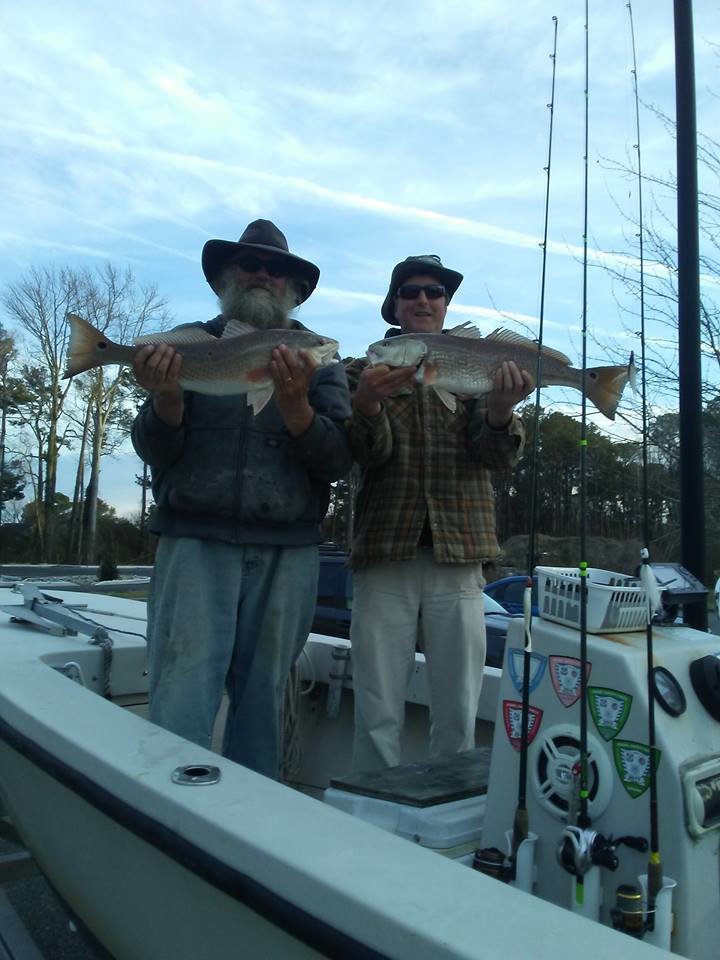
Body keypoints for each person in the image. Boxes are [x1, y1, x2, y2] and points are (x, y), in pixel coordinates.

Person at [131, 219, 352, 779]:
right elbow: (153, 450)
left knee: (264, 706)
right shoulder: (184, 345)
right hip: (193, 545)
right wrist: (167, 400)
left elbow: (337, 459)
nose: (262, 274)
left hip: (287, 554)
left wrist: (297, 407)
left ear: (294, 288)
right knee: (180, 697)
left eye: (276, 269)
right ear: (224, 278)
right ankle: (166, 809)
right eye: (248, 263)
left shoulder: (319, 358)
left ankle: (251, 817)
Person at [346, 254, 533, 772]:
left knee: (458, 709)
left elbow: (498, 457)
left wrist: (501, 409)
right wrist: (366, 404)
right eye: (410, 292)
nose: (423, 300)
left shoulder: (477, 366)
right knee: (377, 707)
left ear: (447, 305)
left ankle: (450, 801)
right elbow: (364, 455)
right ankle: (373, 798)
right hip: (385, 555)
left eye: (435, 292)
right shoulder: (363, 372)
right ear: (394, 306)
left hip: (460, 556)